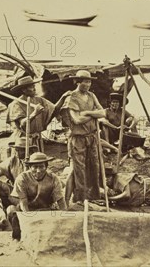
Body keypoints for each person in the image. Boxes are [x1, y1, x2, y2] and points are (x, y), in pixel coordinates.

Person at [62, 70, 107, 202]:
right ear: (77, 82)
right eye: (85, 81)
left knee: (95, 166)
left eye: (89, 81)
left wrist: (86, 112)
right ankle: (79, 198)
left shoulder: (92, 96)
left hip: (92, 137)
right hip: (78, 138)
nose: (88, 84)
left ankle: (93, 196)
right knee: (79, 169)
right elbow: (77, 120)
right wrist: (93, 113)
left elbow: (103, 113)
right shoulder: (72, 97)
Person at [7, 152, 67, 240]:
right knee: (11, 210)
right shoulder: (22, 178)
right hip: (28, 210)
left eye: (41, 166)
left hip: (46, 210)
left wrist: (64, 217)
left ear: (46, 167)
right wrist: (29, 219)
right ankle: (18, 237)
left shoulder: (53, 178)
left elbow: (60, 200)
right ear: (30, 167)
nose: (38, 171)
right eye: (35, 167)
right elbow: (23, 201)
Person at [7, 76, 69, 151]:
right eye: (31, 87)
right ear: (24, 90)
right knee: (24, 160)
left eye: (34, 86)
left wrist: (63, 97)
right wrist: (35, 113)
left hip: (37, 139)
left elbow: (54, 109)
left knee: (38, 160)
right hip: (23, 140)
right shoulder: (16, 104)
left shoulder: (39, 100)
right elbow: (22, 124)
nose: (34, 89)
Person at [0, 137, 36, 208]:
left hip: (30, 194)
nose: (17, 153)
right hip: (14, 190)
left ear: (28, 151)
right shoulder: (14, 160)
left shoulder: (34, 162)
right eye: (16, 150)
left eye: (20, 150)